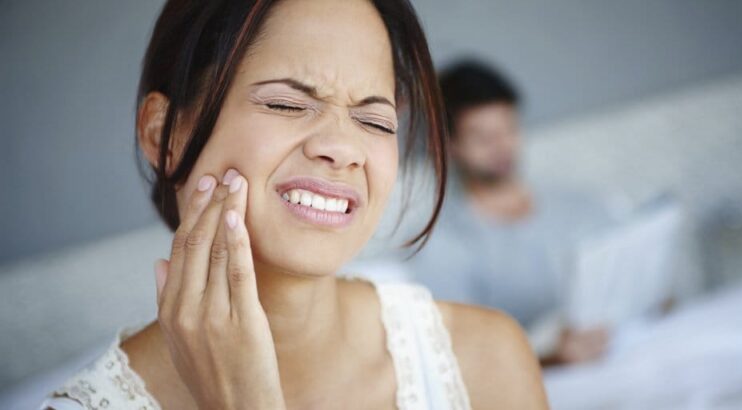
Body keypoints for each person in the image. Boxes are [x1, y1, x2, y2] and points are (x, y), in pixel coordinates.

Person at [40, 1, 548, 409]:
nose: (344, 149)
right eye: (286, 104)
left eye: (375, 121)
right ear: (163, 134)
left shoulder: (485, 359)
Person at [404, 60, 613, 365]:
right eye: (482, 137)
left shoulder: (578, 205)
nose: (501, 146)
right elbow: (461, 354)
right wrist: (553, 359)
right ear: (450, 145)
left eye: (509, 129)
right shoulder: (442, 243)